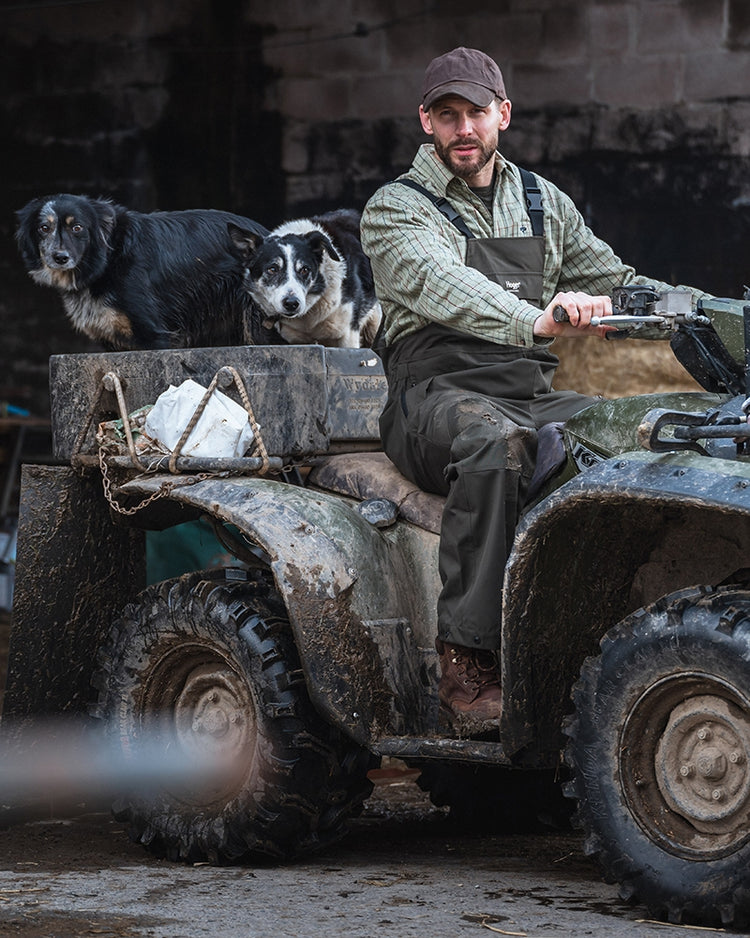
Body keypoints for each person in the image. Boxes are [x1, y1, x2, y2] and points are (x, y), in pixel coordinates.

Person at [360, 46, 711, 731]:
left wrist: (709, 315)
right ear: (426, 122)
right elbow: (444, 283)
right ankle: (466, 661)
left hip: (529, 386)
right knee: (495, 447)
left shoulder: (543, 202)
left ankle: (609, 635)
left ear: (504, 114)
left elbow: (620, 284)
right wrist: (538, 319)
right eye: (447, 115)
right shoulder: (396, 209)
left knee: (634, 432)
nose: (464, 129)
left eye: (476, 113)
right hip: (434, 394)